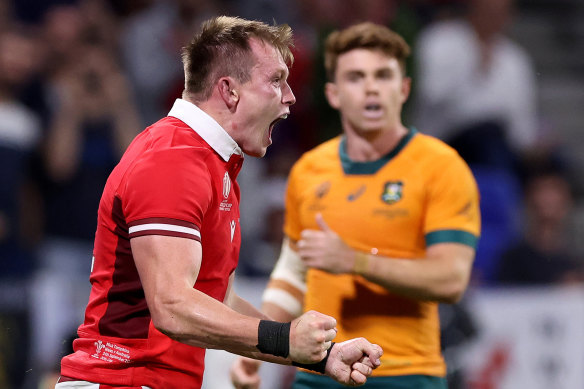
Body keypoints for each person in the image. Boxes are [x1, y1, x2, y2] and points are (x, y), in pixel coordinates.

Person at [55, 16, 383, 389]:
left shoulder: (212, 163)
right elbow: (173, 307)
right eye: (276, 80)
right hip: (122, 381)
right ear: (229, 91)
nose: (291, 95)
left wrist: (318, 354)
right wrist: (286, 338)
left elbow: (216, 298)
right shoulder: (173, 158)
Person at [231, 22, 481, 389]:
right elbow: (292, 274)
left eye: (383, 75)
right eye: (355, 77)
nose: (370, 87)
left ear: (404, 88)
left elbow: (451, 279)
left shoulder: (442, 167)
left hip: (407, 375)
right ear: (333, 94)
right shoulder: (309, 170)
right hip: (318, 374)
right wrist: (253, 354)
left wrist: (356, 260)